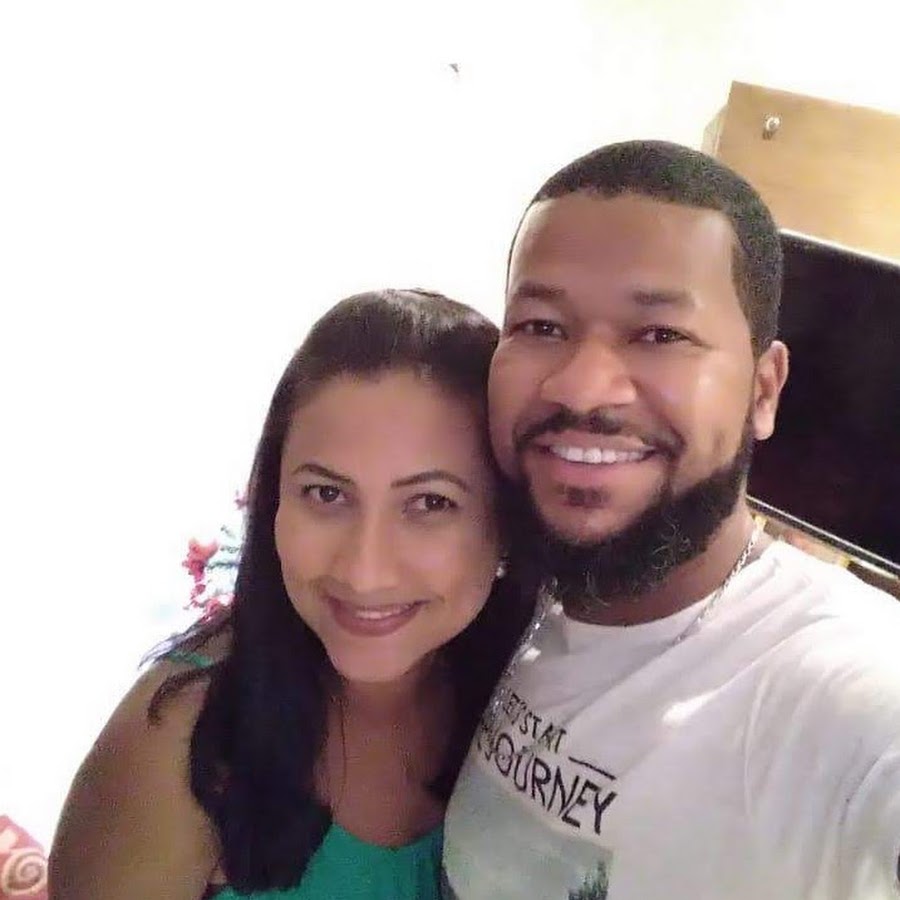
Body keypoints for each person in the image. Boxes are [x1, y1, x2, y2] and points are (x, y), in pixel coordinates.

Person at [442, 141, 900, 899]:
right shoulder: (498, 598)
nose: (581, 387)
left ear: (763, 390)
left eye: (660, 335)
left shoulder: (845, 695)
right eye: (542, 326)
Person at [49, 289, 532, 900]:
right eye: (327, 494)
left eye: (430, 503)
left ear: (505, 522)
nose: (364, 570)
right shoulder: (180, 739)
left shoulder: (543, 705)